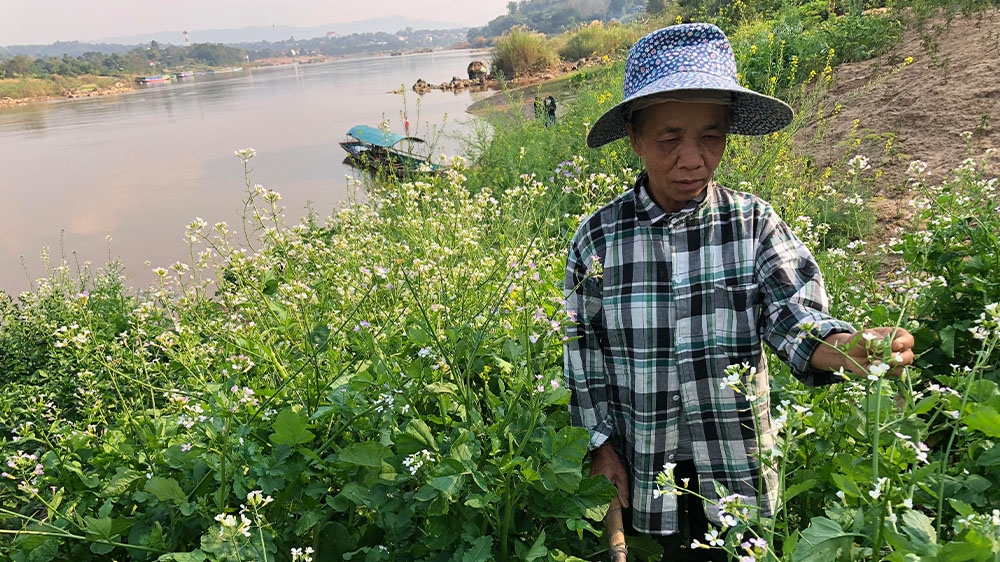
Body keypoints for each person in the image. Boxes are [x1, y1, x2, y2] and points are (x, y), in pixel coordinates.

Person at [563, 23, 915, 560]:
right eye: (668, 137)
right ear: (634, 138)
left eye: (711, 135)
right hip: (641, 464)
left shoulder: (753, 223)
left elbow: (791, 313)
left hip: (734, 462)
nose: (692, 157)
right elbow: (583, 349)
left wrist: (844, 347)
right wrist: (599, 444)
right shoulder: (600, 236)